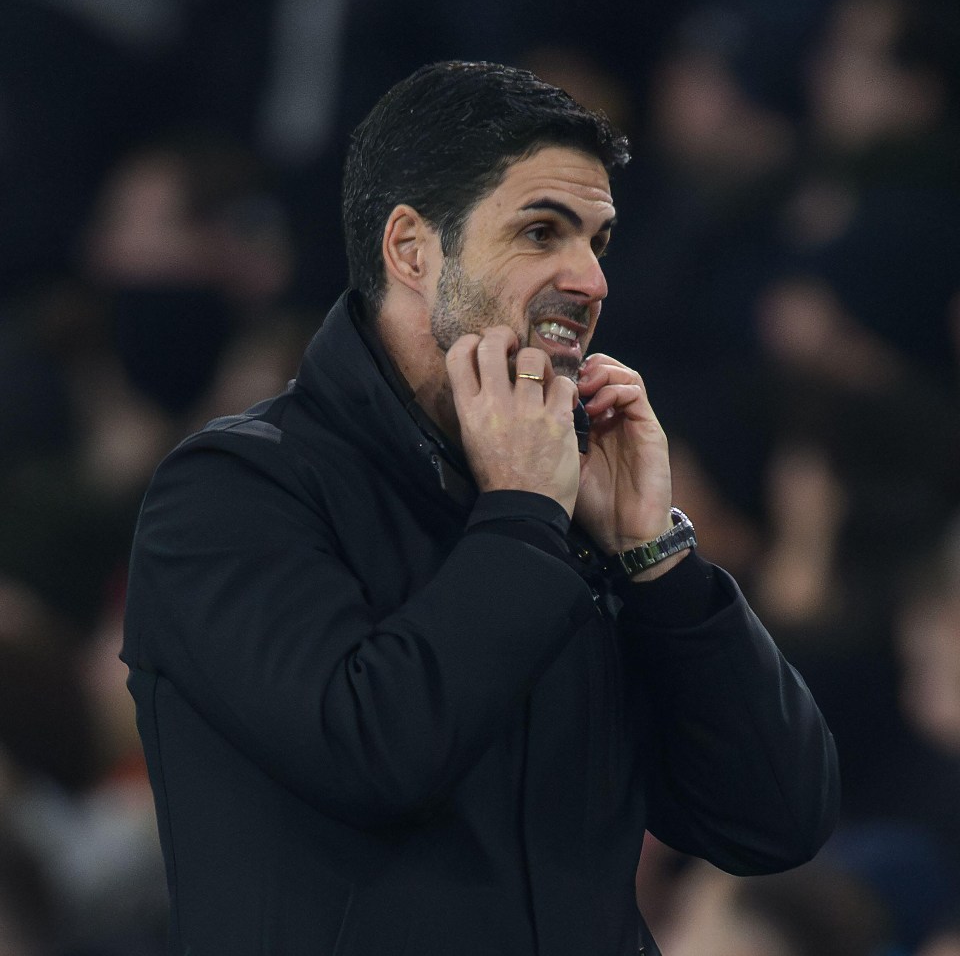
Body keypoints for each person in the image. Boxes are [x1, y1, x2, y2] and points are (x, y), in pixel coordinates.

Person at [122, 61, 840, 956]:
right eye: (542, 231)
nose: (589, 280)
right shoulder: (233, 491)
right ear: (412, 250)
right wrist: (521, 516)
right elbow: (373, 753)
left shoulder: (578, 508)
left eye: (599, 242)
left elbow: (775, 819)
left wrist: (656, 556)